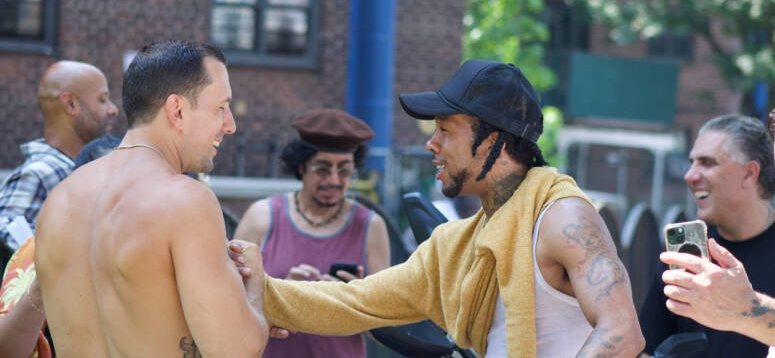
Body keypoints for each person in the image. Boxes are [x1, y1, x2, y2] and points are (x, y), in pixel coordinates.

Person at [239, 60, 644, 357]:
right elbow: (353, 302)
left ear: (492, 141)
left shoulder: (562, 216)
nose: (432, 144)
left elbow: (622, 331)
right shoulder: (455, 246)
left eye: (445, 130)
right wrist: (251, 286)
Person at [35, 40, 269, 358]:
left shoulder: (58, 200)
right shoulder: (186, 200)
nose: (230, 125)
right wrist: (255, 285)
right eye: (220, 108)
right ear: (177, 110)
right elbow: (236, 351)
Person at [233, 108, 390, 358]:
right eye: (323, 168)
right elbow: (229, 308)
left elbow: (384, 332)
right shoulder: (261, 217)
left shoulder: (371, 226)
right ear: (301, 166)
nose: (334, 180)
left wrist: (356, 299)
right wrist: (283, 294)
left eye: (345, 170)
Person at [639, 114, 775, 358]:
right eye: (692, 162)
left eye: (707, 163)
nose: (690, 175)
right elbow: (645, 349)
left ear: (749, 173)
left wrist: (747, 310)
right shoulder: (684, 253)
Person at [0, 60, 118, 249]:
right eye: (103, 99)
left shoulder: (85, 169)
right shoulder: (41, 173)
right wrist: (56, 259)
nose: (113, 109)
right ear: (70, 104)